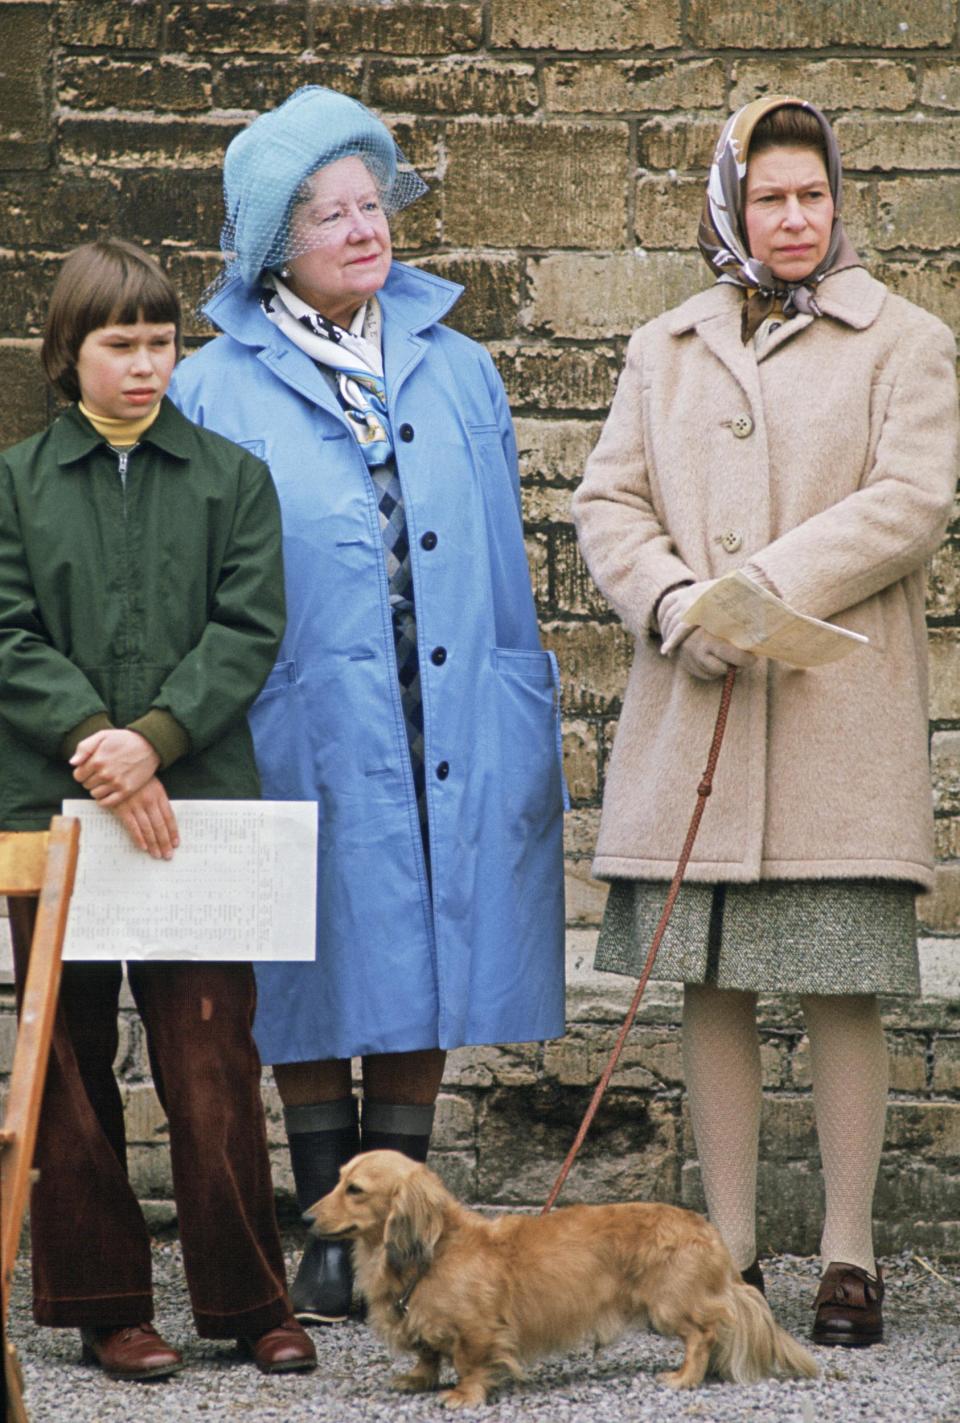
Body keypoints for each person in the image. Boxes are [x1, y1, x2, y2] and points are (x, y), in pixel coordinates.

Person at [171, 86, 566, 1325]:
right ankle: (327, 1236)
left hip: (448, 699)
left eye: (370, 201)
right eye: (328, 213)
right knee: (307, 946)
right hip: (298, 708)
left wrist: (520, 695)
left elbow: (502, 552)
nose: (362, 228)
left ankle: (402, 1228)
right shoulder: (209, 387)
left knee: (429, 945)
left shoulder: (459, 365)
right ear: (272, 245)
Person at [573, 96, 958, 1348]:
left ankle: (850, 1255)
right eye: (769, 198)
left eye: (813, 196)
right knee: (713, 985)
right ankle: (725, 1254)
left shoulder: (905, 340)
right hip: (699, 713)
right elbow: (608, 504)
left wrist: (766, 589)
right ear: (730, 206)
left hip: (838, 719)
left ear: (840, 202)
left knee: (846, 986)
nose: (794, 219)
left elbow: (911, 500)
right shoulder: (663, 346)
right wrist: (682, 601)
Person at [0, 238, 317, 1379]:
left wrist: (157, 743)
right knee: (73, 1072)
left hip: (199, 811)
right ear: (66, 353)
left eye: (161, 343)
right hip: (55, 809)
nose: (144, 366)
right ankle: (104, 1304)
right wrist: (101, 748)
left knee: (212, 1058)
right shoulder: (15, 484)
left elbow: (247, 628)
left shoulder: (234, 479)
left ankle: (247, 1300)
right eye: (117, 344)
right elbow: (6, 633)